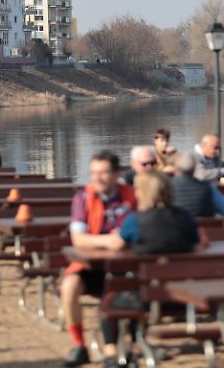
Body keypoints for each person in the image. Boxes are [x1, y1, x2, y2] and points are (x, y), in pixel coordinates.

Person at [69, 170, 200, 366]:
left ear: (143, 192)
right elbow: (198, 245)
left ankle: (112, 350)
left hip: (146, 298)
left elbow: (117, 244)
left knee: (110, 296)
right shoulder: (186, 218)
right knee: (128, 288)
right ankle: (134, 342)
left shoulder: (135, 221)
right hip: (183, 298)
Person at [60, 150, 137, 367]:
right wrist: (107, 241)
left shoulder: (131, 196)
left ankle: (124, 347)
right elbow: (78, 239)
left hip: (124, 264)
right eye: (94, 173)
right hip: (89, 263)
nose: (97, 178)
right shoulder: (83, 197)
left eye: (103, 173)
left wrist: (118, 241)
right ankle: (79, 345)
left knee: (116, 289)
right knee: (68, 287)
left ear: (116, 174)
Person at [172, 152, 224, 217]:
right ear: (194, 169)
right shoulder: (206, 187)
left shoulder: (169, 186)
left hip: (175, 225)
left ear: (175, 169)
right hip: (202, 226)